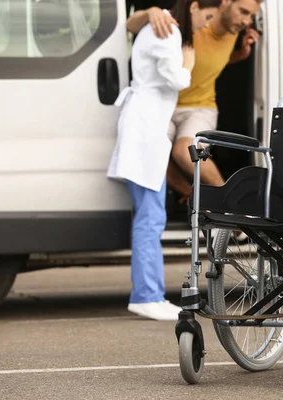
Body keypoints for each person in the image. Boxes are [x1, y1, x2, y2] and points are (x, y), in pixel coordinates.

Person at [107, 0, 221, 321]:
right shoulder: (167, 30)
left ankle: (150, 294)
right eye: (207, 16)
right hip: (145, 130)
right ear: (195, 6)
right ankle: (146, 296)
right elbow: (174, 79)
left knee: (150, 214)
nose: (206, 25)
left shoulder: (162, 26)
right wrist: (188, 65)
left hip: (147, 128)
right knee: (150, 217)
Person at [126, 0, 261, 202]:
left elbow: (213, 60)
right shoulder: (194, 23)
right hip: (165, 106)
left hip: (201, 107)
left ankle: (232, 204)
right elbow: (129, 24)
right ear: (225, 3)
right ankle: (192, 196)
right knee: (150, 151)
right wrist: (151, 13)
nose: (246, 21)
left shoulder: (234, 32)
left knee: (185, 150)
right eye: (243, 12)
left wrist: (240, 54)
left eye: (251, 16)